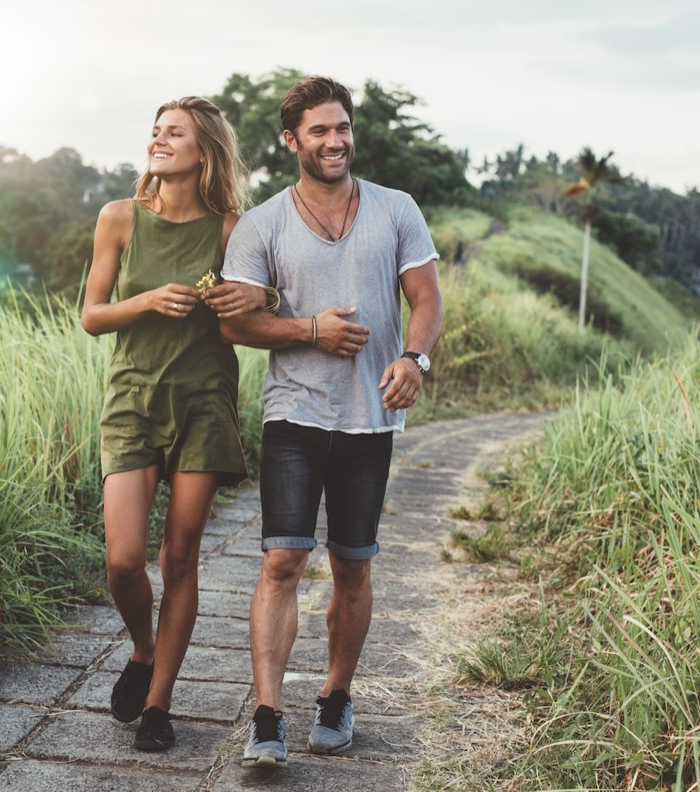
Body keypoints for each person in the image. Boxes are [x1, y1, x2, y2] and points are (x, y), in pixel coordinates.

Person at [219, 75, 443, 767]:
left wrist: (415, 359)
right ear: (291, 141)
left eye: (341, 127)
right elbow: (239, 323)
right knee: (283, 558)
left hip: (370, 419)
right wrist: (310, 330)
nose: (335, 140)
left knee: (352, 566)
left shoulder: (395, 208)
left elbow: (426, 298)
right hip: (294, 411)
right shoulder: (263, 223)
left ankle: (337, 695)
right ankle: (266, 714)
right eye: (318, 130)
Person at [80, 96, 267, 752]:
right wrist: (148, 300)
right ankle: (141, 648)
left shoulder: (230, 230)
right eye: (156, 132)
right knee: (124, 561)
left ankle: (158, 705)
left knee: (180, 556)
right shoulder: (119, 218)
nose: (159, 141)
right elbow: (92, 315)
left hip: (204, 403)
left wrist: (254, 295)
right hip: (132, 399)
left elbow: (256, 309)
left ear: (203, 152)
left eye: (174, 133)